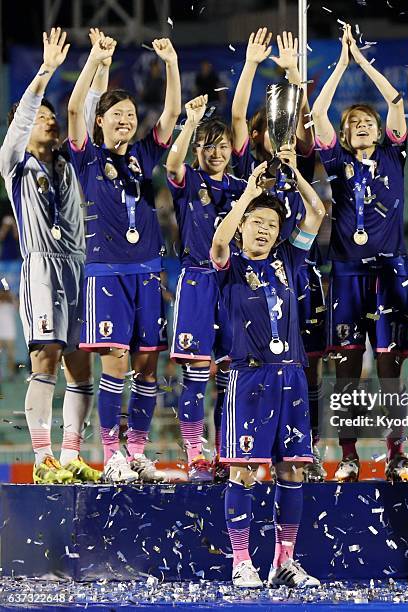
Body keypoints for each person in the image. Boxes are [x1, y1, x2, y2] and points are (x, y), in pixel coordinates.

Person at [67, 31, 181, 483]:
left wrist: (171, 63)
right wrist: (96, 60)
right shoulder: (88, 158)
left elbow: (172, 112)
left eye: (130, 115)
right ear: (100, 122)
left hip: (149, 273)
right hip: (107, 275)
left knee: (148, 365)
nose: (124, 121)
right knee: (114, 360)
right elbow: (76, 108)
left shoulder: (143, 154)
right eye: (115, 115)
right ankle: (111, 452)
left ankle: (136, 452)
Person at [211, 158, 325, 588]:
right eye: (256, 222)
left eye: (271, 225)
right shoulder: (230, 265)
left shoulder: (291, 261)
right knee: (243, 470)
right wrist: (248, 194)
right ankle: (241, 561)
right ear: (242, 225)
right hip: (248, 380)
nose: (263, 230)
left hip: (291, 375)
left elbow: (316, 214)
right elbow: (219, 241)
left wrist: (293, 173)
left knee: (292, 470)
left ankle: (284, 562)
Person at [312, 24, 408, 482]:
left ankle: (397, 454)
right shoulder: (338, 163)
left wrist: (365, 62)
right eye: (353, 124)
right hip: (348, 273)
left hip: (389, 274)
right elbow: (317, 110)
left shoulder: (394, 155)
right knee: (349, 370)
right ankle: (350, 456)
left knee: (390, 372)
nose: (359, 127)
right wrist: (340, 65)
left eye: (366, 123)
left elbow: (395, 101)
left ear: (380, 131)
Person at [0, 28, 102, 483]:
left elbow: (90, 118)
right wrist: (45, 73)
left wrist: (97, 64)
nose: (50, 120)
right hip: (41, 266)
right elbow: (22, 120)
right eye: (42, 116)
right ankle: (42, 460)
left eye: (50, 115)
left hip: (79, 265)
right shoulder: (15, 163)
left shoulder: (70, 162)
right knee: (46, 358)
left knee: (81, 361)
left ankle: (71, 454)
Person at [231, 29, 327, 483]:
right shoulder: (247, 174)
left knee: (309, 362)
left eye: (280, 129)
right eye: (267, 130)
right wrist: (252, 66)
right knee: (241, 368)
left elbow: (316, 210)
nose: (276, 137)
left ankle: (311, 446)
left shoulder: (298, 163)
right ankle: (231, 449)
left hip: (295, 274)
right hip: (251, 282)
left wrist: (292, 75)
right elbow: (234, 115)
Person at [166, 94, 246, 482]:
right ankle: (197, 454)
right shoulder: (188, 181)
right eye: (207, 145)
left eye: (222, 145)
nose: (216, 152)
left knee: (230, 375)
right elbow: (172, 162)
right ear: (197, 148)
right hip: (197, 279)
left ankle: (227, 452)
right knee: (197, 373)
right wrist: (190, 122)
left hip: (233, 283)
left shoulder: (243, 187)